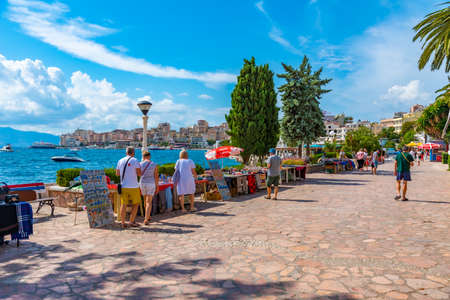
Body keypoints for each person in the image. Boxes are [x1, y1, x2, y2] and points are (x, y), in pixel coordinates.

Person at [116, 146, 142, 228]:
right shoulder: (135, 160)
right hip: (134, 186)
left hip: (124, 185)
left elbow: (117, 173)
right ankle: (131, 221)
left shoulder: (120, 160)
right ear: (133, 152)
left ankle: (123, 222)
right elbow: (139, 173)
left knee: (123, 204)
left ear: (126, 152)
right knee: (136, 204)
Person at [140, 151, 159, 225]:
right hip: (151, 183)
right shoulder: (154, 164)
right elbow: (156, 176)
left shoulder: (140, 164)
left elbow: (138, 174)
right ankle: (146, 219)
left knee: (145, 200)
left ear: (143, 157)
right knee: (149, 202)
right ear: (149, 156)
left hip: (142, 183)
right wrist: (157, 186)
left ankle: (147, 215)